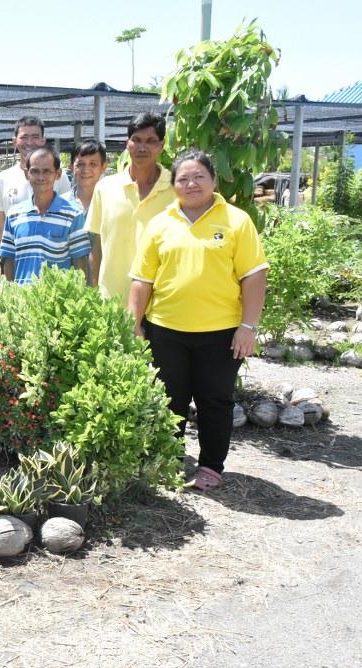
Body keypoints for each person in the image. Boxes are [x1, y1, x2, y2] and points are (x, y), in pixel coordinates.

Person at [128, 150, 268, 492]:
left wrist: (248, 327)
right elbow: (141, 280)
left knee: (215, 401)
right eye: (183, 178)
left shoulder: (236, 221)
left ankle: (210, 467)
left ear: (213, 180)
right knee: (168, 399)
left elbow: (254, 276)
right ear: (173, 184)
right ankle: (170, 461)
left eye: (199, 177)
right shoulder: (161, 223)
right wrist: (134, 323)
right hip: (166, 330)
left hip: (220, 333)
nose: (191, 184)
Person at [86, 113, 175, 301]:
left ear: (162, 145)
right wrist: (95, 292)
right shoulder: (105, 188)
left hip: (162, 304)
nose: (142, 147)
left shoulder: (176, 189)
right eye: (137, 140)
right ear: (128, 143)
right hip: (112, 302)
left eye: (151, 141)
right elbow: (97, 246)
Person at [0, 146, 90, 285]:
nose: (41, 177)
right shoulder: (13, 215)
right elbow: (8, 259)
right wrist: (11, 293)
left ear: (58, 174)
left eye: (47, 171)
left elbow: (80, 260)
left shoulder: (73, 214)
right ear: (26, 174)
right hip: (22, 302)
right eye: (35, 171)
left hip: (57, 302)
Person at [0, 116, 71, 253]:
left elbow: (68, 215)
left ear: (43, 140)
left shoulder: (59, 177)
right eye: (24, 137)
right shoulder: (3, 179)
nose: (29, 142)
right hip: (14, 259)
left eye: (35, 137)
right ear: (14, 141)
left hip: (53, 257)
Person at [63, 140, 107, 212]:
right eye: (80, 164)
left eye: (93, 164)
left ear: (103, 167)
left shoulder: (112, 204)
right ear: (71, 167)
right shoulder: (60, 204)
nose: (85, 170)